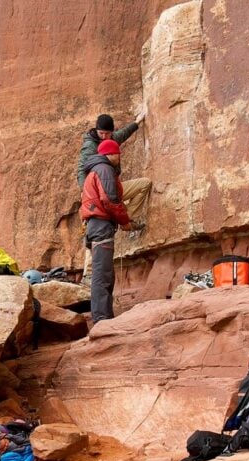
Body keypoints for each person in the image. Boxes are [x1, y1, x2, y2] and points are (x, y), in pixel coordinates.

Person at [76, 113, 152, 281]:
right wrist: (85, 192)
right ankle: (88, 276)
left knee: (143, 184)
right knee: (95, 231)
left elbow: (122, 134)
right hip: (95, 192)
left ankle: (127, 221)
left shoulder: (111, 140)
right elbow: (81, 170)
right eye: (101, 133)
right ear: (96, 130)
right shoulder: (90, 146)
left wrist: (137, 122)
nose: (104, 137)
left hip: (112, 186)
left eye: (107, 134)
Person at [79, 139, 140, 323]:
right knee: (102, 275)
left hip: (94, 226)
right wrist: (125, 221)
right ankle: (102, 319)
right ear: (110, 154)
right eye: (117, 153)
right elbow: (110, 200)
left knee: (104, 274)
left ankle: (103, 316)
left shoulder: (94, 170)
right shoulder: (104, 169)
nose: (119, 157)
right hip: (101, 226)